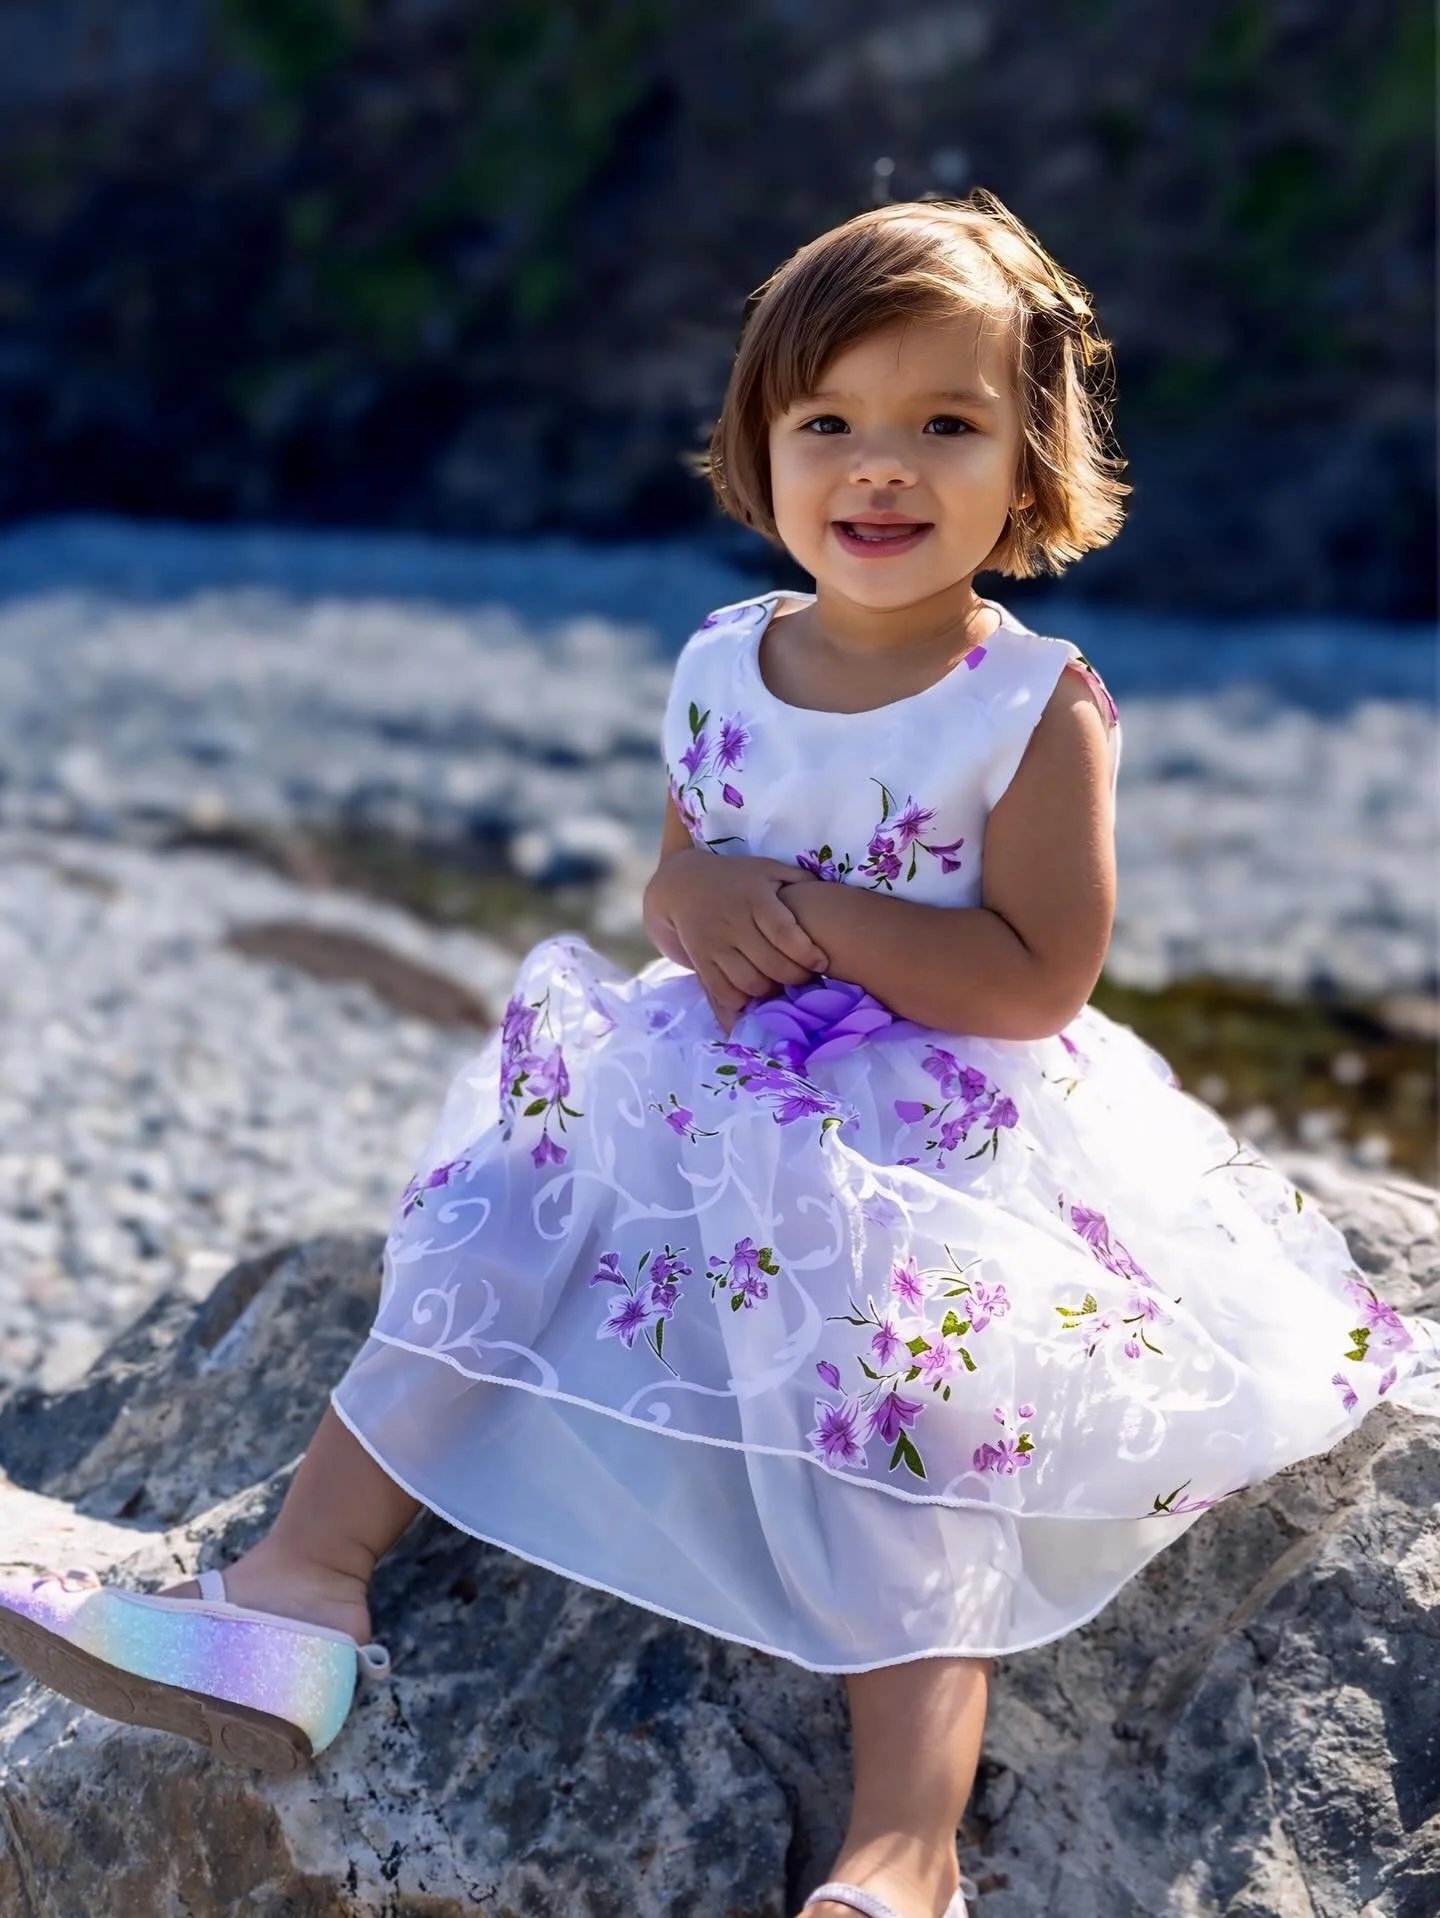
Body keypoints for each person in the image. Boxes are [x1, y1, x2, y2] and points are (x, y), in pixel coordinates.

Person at [1, 190, 1436, 1918]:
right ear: (760, 446)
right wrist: (706, 895)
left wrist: (817, 918)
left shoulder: (1031, 701)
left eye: (944, 426)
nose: (879, 469)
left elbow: (1041, 973)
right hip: (695, 1074)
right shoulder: (721, 660)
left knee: (899, 1410)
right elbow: (682, 872)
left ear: (1030, 456)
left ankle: (905, 1845)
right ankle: (301, 1591)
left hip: (926, 1114)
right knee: (487, 1238)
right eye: (827, 422)